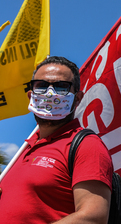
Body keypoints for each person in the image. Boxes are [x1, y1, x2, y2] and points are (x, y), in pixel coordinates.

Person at [0, 56, 114, 223]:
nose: (50, 93)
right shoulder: (22, 151)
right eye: (41, 86)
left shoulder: (86, 144)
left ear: (78, 98)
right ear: (31, 95)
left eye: (61, 87)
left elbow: (93, 217)